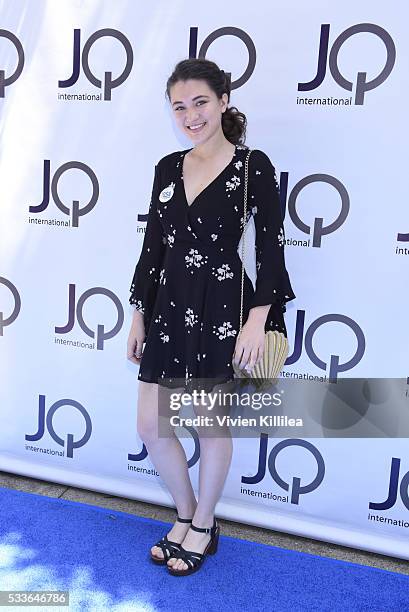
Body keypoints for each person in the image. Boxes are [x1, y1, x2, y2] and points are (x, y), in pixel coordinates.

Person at [126, 57, 296, 576]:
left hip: (225, 308)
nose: (190, 115)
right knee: (151, 427)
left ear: (224, 101)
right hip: (167, 309)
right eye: (179, 107)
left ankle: (203, 525)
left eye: (200, 102)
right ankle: (184, 514)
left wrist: (257, 318)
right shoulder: (164, 168)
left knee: (207, 423)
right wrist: (137, 313)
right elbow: (153, 249)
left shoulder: (253, 167)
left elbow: (271, 245)